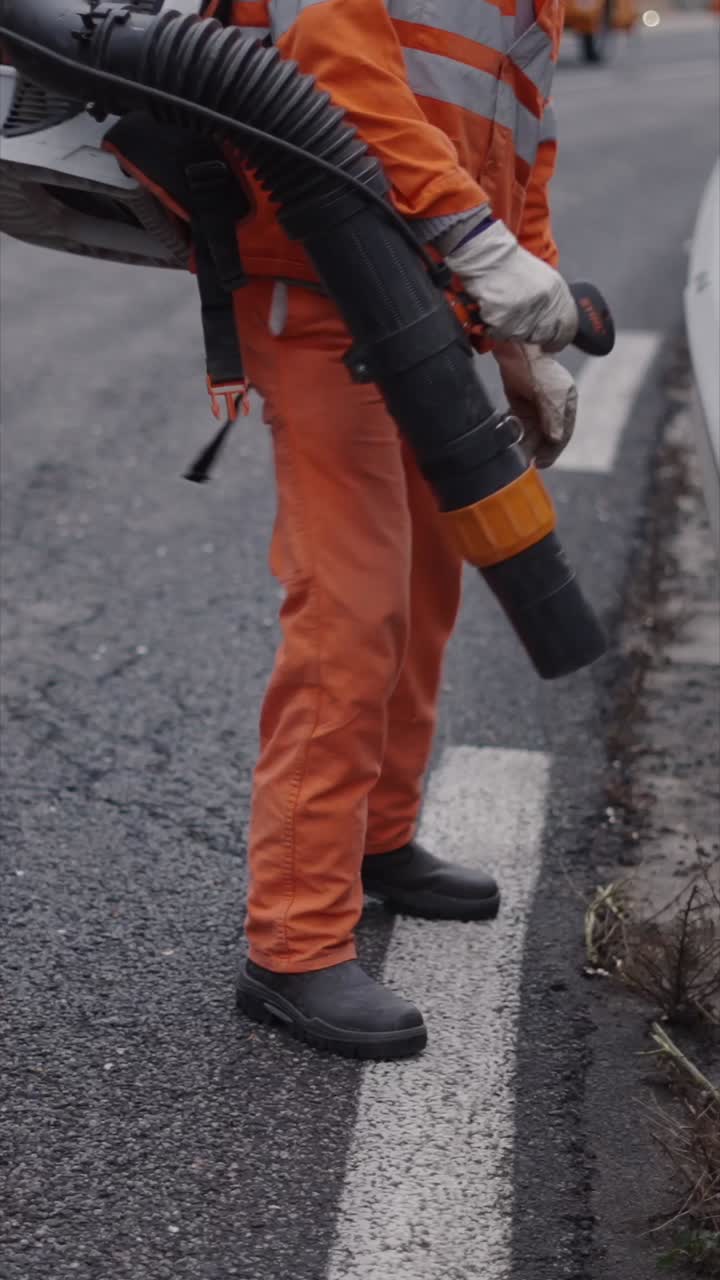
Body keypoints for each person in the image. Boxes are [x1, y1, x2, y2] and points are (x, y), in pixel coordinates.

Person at [230, 0, 579, 1059]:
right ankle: (291, 941)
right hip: (320, 281)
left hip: (432, 305)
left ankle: (378, 839)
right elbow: (330, 58)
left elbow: (522, 156)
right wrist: (475, 240)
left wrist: (521, 333)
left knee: (428, 586)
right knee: (353, 608)